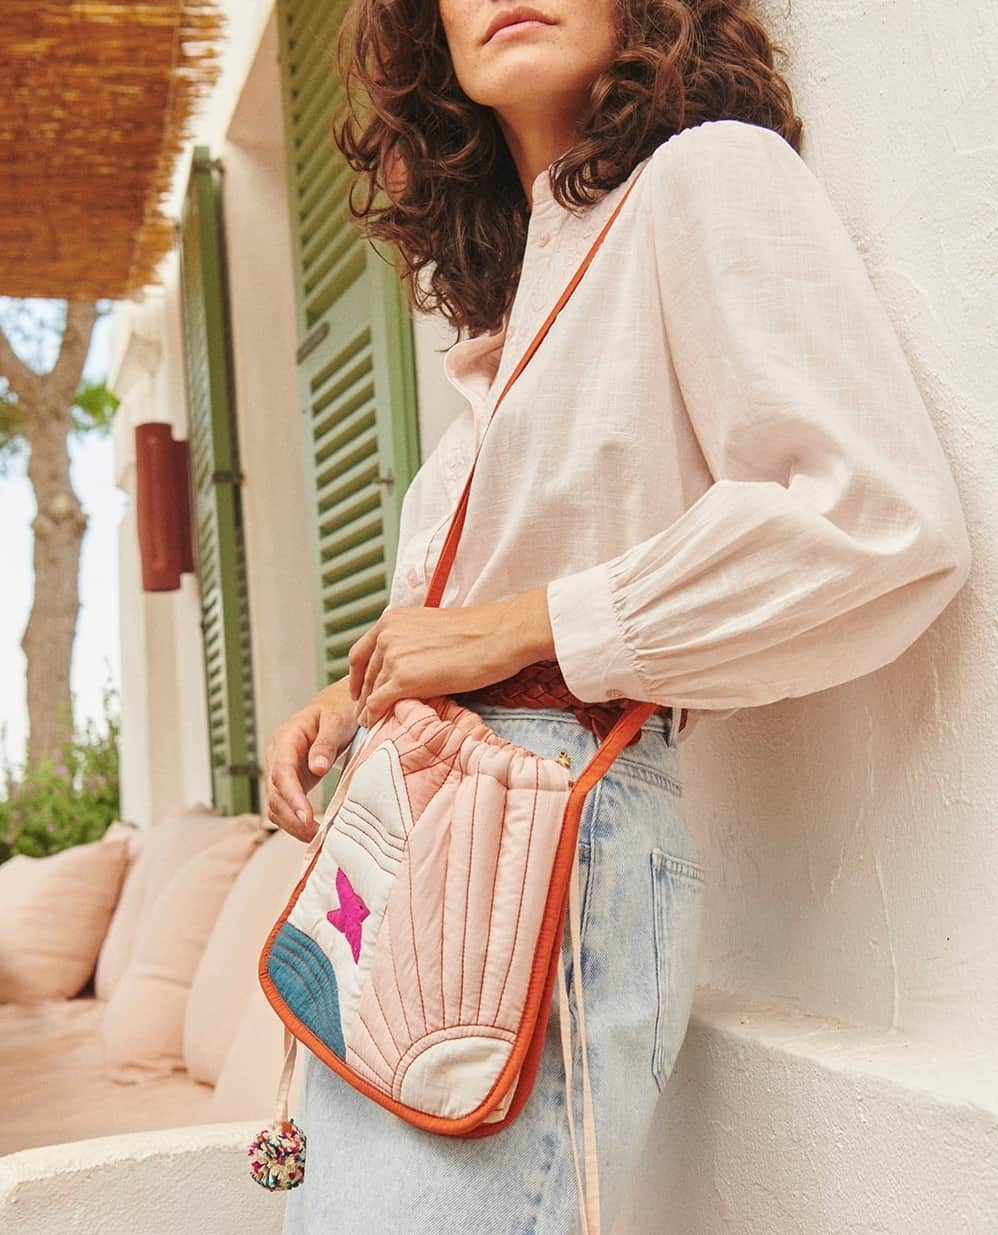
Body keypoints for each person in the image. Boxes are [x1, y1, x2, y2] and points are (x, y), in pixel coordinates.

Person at [265, 2, 973, 1232]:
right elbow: (502, 573)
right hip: (433, 841)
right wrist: (363, 684)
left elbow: (876, 515)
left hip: (543, 832)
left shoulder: (706, 177)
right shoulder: (513, 301)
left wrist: (522, 626)